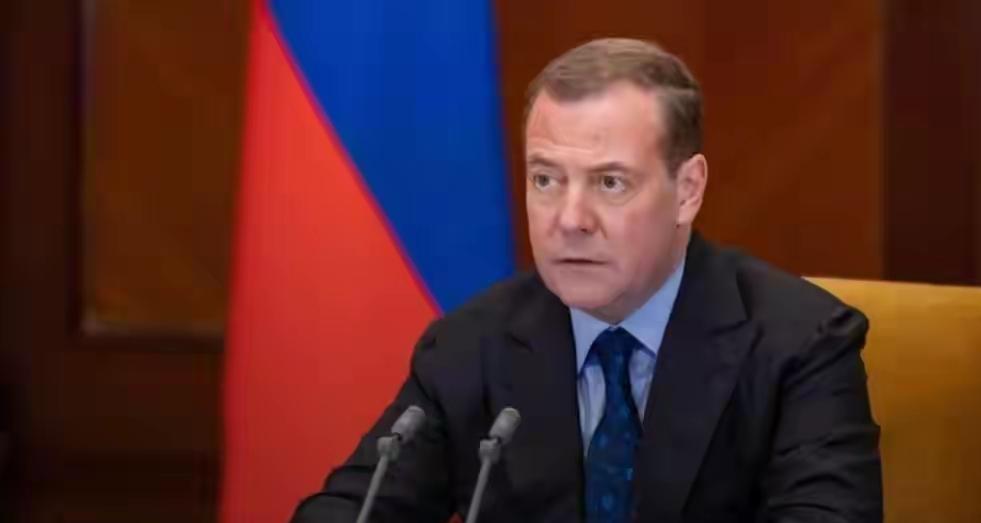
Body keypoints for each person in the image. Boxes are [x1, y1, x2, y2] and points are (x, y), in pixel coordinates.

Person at [292, 37, 882, 522]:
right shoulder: (471, 346)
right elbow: (354, 509)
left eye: (610, 183)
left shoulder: (799, 345)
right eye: (546, 180)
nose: (570, 220)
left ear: (687, 190)